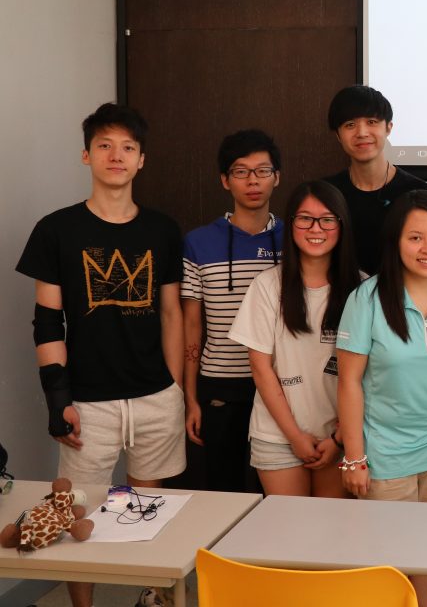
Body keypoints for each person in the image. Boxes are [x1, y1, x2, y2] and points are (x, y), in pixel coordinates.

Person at [17, 103, 185, 607]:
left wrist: (172, 386)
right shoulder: (56, 230)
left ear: (142, 160)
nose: (117, 156)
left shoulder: (161, 230)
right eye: (106, 146)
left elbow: (173, 314)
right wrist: (57, 397)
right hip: (87, 402)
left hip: (155, 397)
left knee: (147, 512)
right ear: (86, 155)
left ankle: (150, 597)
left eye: (128, 147)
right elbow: (48, 322)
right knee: (75, 516)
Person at [337, 191, 427, 607]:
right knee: (387, 565)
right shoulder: (366, 299)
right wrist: (354, 457)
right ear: (395, 243)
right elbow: (348, 382)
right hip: (384, 457)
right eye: (415, 238)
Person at [228, 181, 359, 498]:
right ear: (291, 224)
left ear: (341, 225)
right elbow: (261, 369)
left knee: (332, 538)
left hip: (341, 438)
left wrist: (339, 438)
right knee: (287, 539)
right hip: (278, 436)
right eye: (305, 218)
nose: (316, 228)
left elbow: (368, 375)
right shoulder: (267, 285)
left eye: (327, 219)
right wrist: (295, 437)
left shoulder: (362, 289)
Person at [182, 129, 285, 493]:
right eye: (241, 172)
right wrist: (190, 398)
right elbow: (191, 324)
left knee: (274, 493)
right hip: (220, 383)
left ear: (277, 177)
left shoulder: (296, 239)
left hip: (281, 383)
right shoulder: (198, 242)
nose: (253, 181)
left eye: (262, 170)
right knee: (223, 488)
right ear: (225, 180)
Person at [323, 85, 427, 275]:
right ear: (338, 136)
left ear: (389, 127)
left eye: (371, 122)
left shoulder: (417, 192)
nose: (362, 132)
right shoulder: (327, 193)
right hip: (342, 300)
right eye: (350, 125)